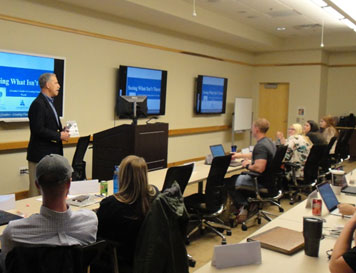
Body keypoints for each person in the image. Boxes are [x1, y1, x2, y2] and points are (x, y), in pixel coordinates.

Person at [1, 154, 97, 262]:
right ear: (69, 184)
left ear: (37, 185)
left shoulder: (13, 233)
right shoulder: (89, 221)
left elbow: (6, 266)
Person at [96, 155, 159, 273]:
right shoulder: (154, 196)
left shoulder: (111, 204)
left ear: (122, 176)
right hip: (146, 256)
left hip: (119, 258)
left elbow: (98, 233)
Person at [27, 73, 70, 197]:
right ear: (47, 85)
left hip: (50, 156)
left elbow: (48, 127)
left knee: (49, 194)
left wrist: (61, 131)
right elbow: (38, 129)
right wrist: (59, 136)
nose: (59, 86)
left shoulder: (50, 102)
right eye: (56, 83)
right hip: (40, 156)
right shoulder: (38, 104)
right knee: (37, 194)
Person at [230, 118, 276, 221]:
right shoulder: (268, 142)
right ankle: (249, 204)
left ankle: (244, 205)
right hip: (270, 181)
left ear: (256, 129)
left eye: (252, 126)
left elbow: (259, 168)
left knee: (230, 182)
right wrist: (239, 155)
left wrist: (247, 165)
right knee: (235, 177)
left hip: (260, 181)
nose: (251, 129)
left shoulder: (261, 146)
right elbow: (257, 155)